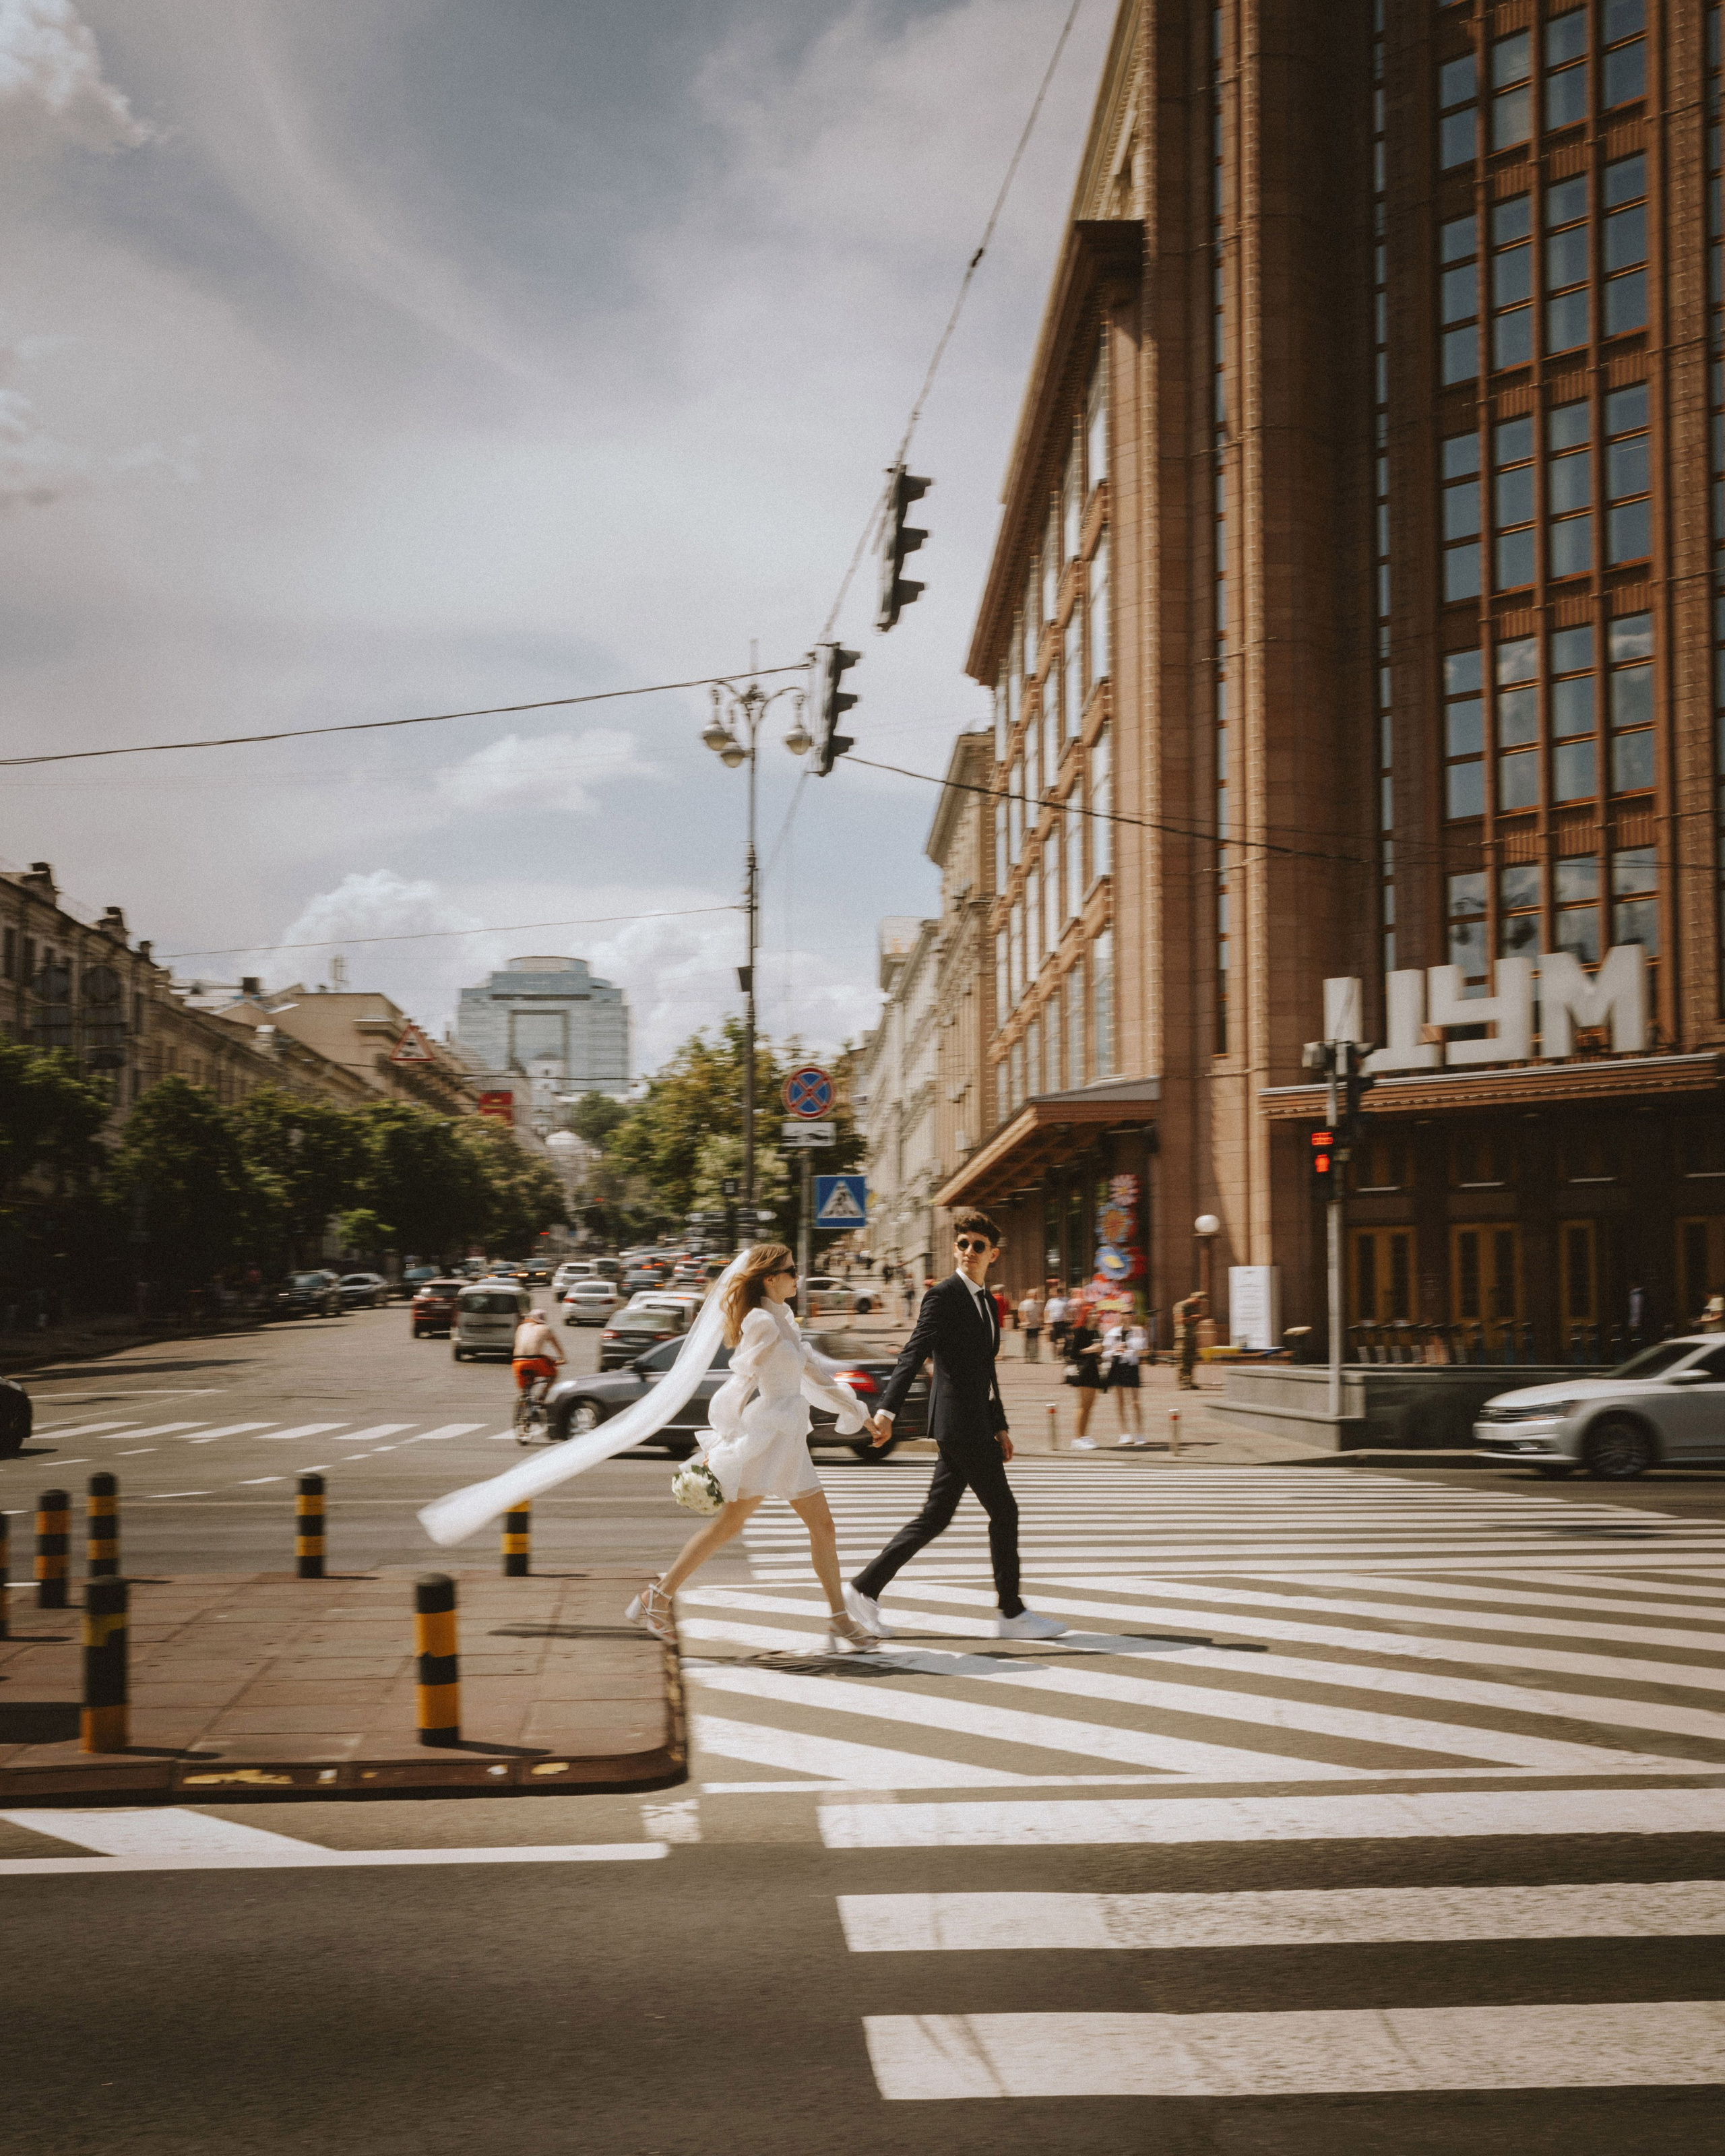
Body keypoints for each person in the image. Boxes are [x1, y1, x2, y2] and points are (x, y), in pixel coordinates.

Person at [624, 1245, 875, 1653]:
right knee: (728, 1527)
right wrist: (724, 1443)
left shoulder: (783, 1319)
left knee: (823, 1527)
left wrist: (859, 1414)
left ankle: (838, 1619)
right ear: (770, 1278)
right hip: (768, 1439)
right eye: (791, 1271)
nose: (798, 1277)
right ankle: (658, 1598)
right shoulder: (761, 1321)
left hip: (789, 1438)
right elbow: (739, 1383)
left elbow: (813, 1376)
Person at [844, 1210, 1067, 1641]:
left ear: (993, 1254)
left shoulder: (987, 1303)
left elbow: (987, 1371)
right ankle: (1012, 1612)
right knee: (1004, 1511)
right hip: (959, 1424)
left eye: (977, 1246)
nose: (968, 1252)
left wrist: (1000, 1424)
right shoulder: (943, 1295)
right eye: (962, 1244)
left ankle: (864, 1588)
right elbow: (914, 1353)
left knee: (935, 1517)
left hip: (973, 1423)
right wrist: (887, 1412)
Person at [1065, 1300, 1105, 1446]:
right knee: (1083, 1405)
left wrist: (1100, 1351)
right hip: (1083, 1372)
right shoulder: (1080, 1331)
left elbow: (1097, 1352)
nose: (1095, 1315)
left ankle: (1085, 1436)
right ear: (1086, 1315)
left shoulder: (1096, 1331)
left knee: (1090, 1406)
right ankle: (1077, 1438)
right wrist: (1092, 1349)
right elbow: (1074, 1353)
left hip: (1094, 1370)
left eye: (1096, 1312)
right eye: (1091, 1312)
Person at [1105, 1318, 1146, 1445]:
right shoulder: (1112, 1333)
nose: (1129, 1316)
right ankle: (1124, 1433)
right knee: (1120, 1402)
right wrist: (1115, 1350)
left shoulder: (1138, 1331)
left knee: (1135, 1402)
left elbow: (1143, 1347)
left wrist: (1128, 1345)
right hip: (1117, 1366)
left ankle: (1140, 1433)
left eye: (1131, 1313)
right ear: (1121, 1316)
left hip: (1132, 1366)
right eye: (1126, 1313)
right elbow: (1104, 1354)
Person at [511, 1306, 565, 1397]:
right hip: (535, 1361)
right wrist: (563, 1358)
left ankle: (523, 1399)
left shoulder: (521, 1327)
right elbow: (557, 1346)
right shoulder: (545, 1328)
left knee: (523, 1390)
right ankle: (542, 1396)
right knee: (553, 1375)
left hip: (517, 1362)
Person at [1174, 1290, 1207, 1391]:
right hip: (1183, 1337)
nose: (1200, 1304)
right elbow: (1180, 1320)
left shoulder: (1194, 1307)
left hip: (1192, 1336)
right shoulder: (1181, 1305)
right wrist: (1194, 1318)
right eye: (1200, 1301)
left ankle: (1189, 1381)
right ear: (1196, 1298)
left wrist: (1197, 1319)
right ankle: (1182, 1382)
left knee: (1191, 1360)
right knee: (1183, 1359)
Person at [1017, 1286, 1044, 1362]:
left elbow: (1041, 1313)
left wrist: (1042, 1322)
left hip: (1036, 1325)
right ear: (1029, 1295)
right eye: (1034, 1294)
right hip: (1027, 1326)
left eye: (1036, 1294)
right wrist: (1024, 1322)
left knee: (1035, 1341)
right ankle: (1027, 1357)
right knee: (1028, 1341)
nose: (1036, 1295)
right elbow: (1021, 1313)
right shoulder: (1024, 1303)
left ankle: (1035, 1357)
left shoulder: (1039, 1303)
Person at [1044, 1283, 1069, 1357]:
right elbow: (1046, 1311)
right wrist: (1047, 1322)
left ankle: (1064, 1354)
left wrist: (1070, 1318)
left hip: (1063, 1322)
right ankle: (1055, 1355)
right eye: (1057, 1291)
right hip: (1054, 1322)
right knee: (1054, 1340)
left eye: (1060, 1291)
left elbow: (1069, 1310)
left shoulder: (1066, 1300)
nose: (1058, 1292)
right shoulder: (1051, 1301)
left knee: (1066, 1339)